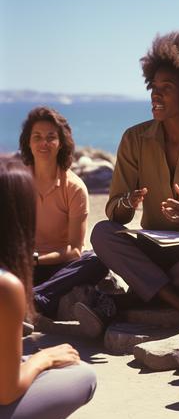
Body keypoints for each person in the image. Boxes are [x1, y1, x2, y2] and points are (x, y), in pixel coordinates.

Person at [76, 31, 179, 337]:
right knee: (102, 233)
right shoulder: (134, 138)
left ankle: (136, 298)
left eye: (166, 88)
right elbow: (115, 213)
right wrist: (128, 203)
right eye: (154, 87)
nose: (155, 95)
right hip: (151, 248)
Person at [0, 157, 97, 419]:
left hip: (48, 267)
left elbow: (76, 250)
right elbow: (6, 392)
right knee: (82, 374)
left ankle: (40, 299)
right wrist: (43, 360)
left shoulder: (74, 187)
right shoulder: (6, 286)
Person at [19, 106, 108, 319]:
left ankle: (34, 300)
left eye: (51, 137)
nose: (44, 143)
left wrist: (37, 259)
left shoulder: (75, 188)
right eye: (37, 137)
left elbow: (75, 250)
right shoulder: (18, 183)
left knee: (98, 259)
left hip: (59, 268)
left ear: (61, 143)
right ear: (28, 143)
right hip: (22, 266)